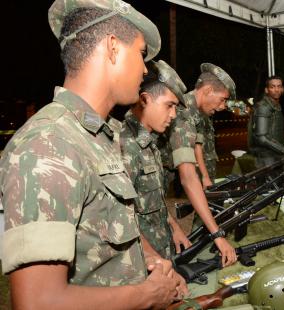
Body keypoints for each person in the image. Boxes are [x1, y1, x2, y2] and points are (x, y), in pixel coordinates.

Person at [0, 1, 181, 309]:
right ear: (112, 47)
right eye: (140, 53)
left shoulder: (96, 138)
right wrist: (148, 296)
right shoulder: (50, 143)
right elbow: (38, 302)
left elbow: (105, 228)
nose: (145, 68)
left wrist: (148, 257)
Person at [162, 63, 238, 267]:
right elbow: (187, 176)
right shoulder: (183, 113)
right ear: (207, 90)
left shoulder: (196, 111)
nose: (223, 106)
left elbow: (197, 146)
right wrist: (218, 235)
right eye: (222, 99)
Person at [120, 60, 191, 263]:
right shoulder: (125, 146)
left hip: (161, 252)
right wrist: (157, 264)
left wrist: (173, 226)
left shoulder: (149, 142)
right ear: (144, 100)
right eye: (169, 106)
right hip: (143, 265)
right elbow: (121, 220)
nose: (173, 115)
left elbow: (153, 201)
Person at [249, 75, 284, 168]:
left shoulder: (276, 106)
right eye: (272, 87)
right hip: (266, 158)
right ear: (267, 90)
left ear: (282, 89)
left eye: (279, 86)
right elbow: (262, 138)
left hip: (276, 155)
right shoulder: (264, 107)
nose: (276, 89)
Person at [196, 114, 219, 188]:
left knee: (210, 191)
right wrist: (204, 175)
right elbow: (197, 146)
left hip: (209, 162)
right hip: (203, 163)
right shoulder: (200, 117)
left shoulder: (208, 117)